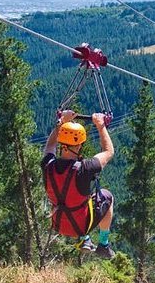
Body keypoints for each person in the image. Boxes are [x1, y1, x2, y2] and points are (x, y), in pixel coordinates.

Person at [42, 110, 115, 258]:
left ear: (61, 143)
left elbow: (49, 146)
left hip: (58, 223)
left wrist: (60, 123)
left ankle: (85, 240)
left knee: (70, 197)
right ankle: (104, 244)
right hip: (81, 225)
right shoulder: (85, 168)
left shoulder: (47, 165)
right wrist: (101, 126)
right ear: (80, 145)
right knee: (107, 196)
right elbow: (109, 151)